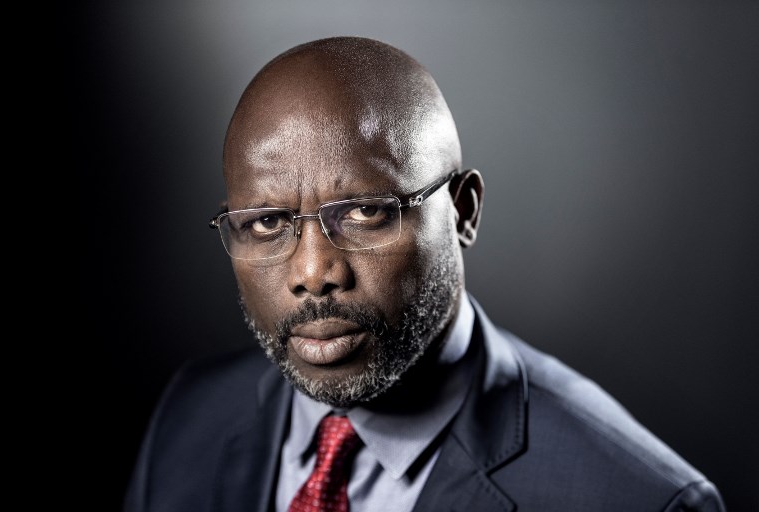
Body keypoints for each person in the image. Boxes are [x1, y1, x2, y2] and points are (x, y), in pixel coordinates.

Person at [124, 36, 725, 512]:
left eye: (366, 212)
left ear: (463, 211)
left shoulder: (637, 498)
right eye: (265, 223)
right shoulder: (189, 416)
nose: (313, 272)